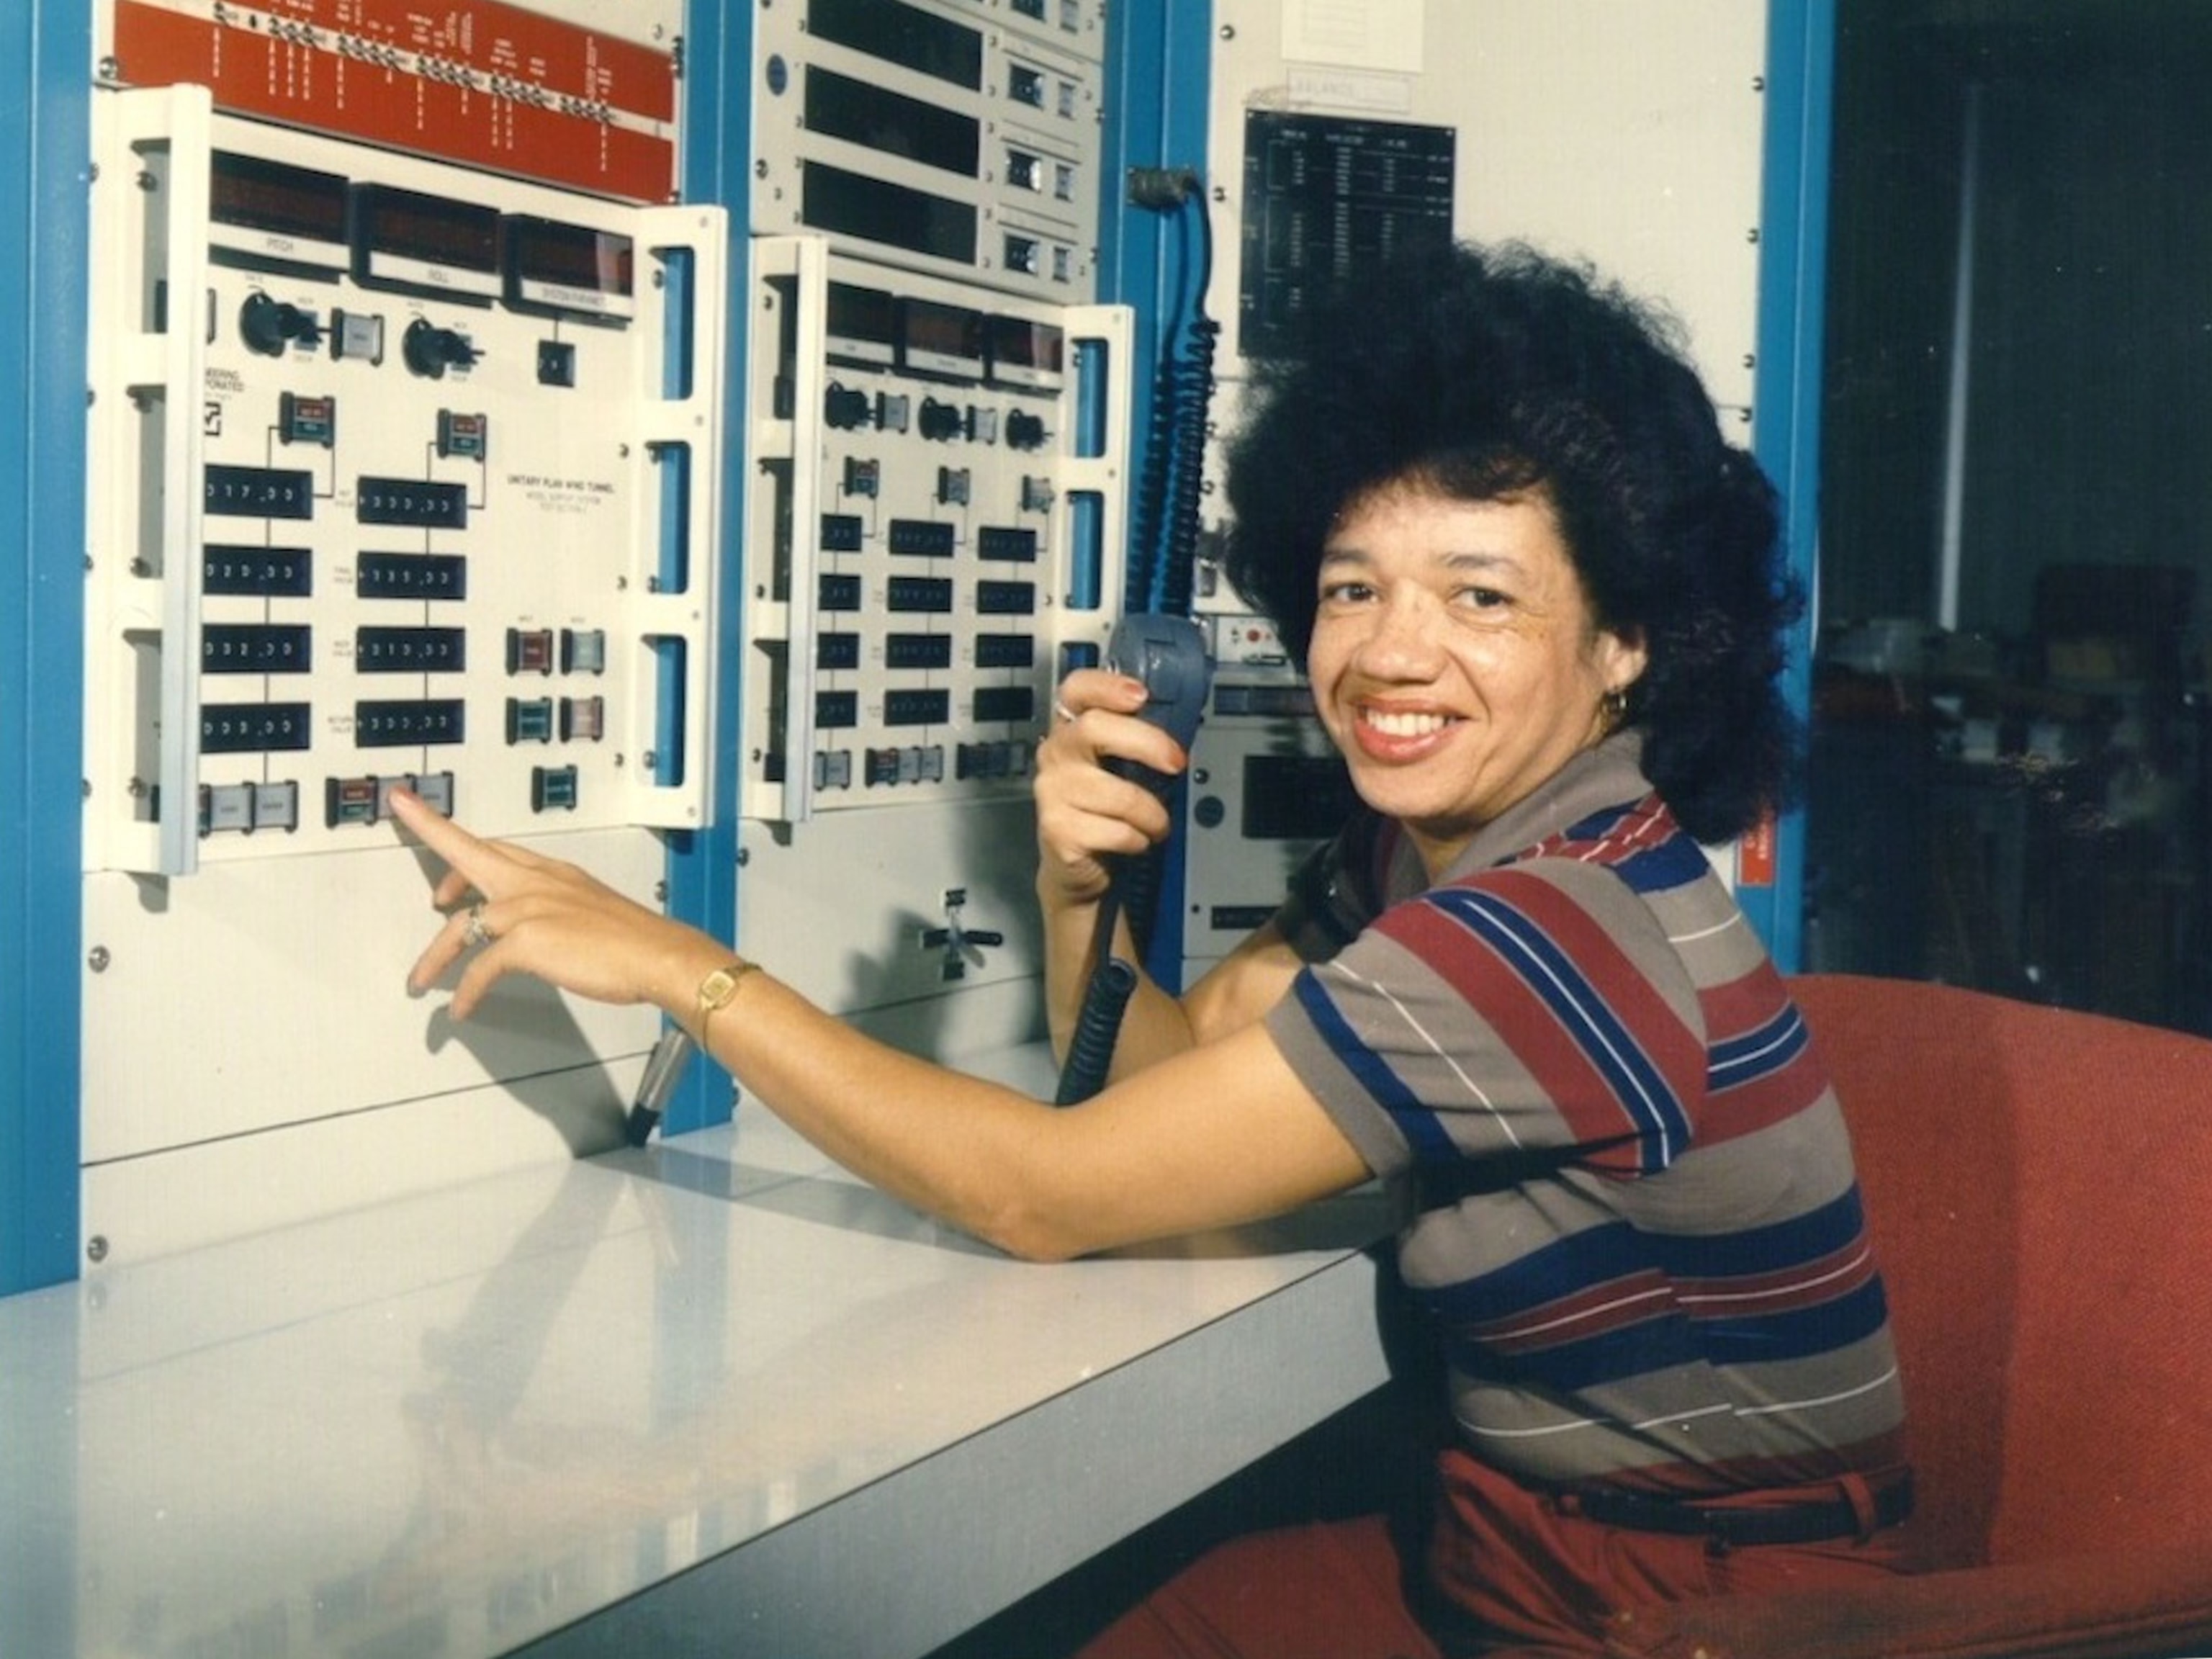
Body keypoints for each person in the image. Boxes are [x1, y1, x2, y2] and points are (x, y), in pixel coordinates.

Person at [388, 240, 1912, 1656]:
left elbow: (1047, 1198)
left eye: (1480, 597)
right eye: (1351, 588)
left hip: (1695, 1612)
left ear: (1629, 640)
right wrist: (1076, 887)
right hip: (1525, 1539)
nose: (1390, 651)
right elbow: (1162, 1079)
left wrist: (680, 968)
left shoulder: (1543, 935)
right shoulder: (1458, 855)